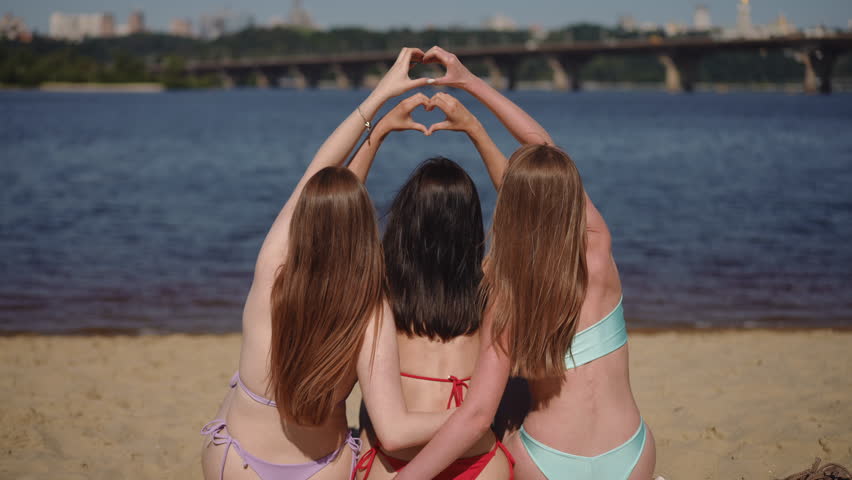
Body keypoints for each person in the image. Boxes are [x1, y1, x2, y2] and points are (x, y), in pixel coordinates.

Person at [395, 46, 656, 480]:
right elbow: (544, 148)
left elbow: (476, 416)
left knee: (502, 433)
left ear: (509, 209)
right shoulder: (598, 254)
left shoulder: (509, 295)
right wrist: (470, 84)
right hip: (631, 456)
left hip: (549, 461)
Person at [200, 48, 453, 480]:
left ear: (304, 222)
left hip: (237, 463)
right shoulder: (369, 311)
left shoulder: (273, 271)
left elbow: (322, 169)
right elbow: (395, 430)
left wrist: (379, 102)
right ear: (364, 230)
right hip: (321, 471)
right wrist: (479, 412)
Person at [346, 92, 514, 480]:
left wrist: (379, 130)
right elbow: (527, 205)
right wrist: (475, 128)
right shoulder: (491, 285)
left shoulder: (379, 285)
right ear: (471, 226)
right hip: (476, 461)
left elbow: (336, 205)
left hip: (395, 464)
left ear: (405, 220)